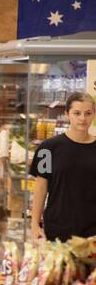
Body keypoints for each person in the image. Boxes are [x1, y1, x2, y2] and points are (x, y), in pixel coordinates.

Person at [29, 91, 96, 242]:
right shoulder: (48, 148)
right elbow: (40, 187)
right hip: (58, 230)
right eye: (77, 113)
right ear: (67, 114)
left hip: (93, 232)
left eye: (88, 113)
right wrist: (34, 223)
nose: (82, 118)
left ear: (94, 114)